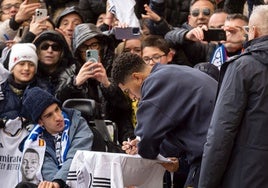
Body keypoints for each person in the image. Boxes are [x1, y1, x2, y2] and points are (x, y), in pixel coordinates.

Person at [112, 52, 217, 187]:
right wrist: (140, 145)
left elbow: (148, 140)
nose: (132, 97)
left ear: (137, 78)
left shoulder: (154, 83)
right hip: (219, 149)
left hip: (212, 155)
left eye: (127, 91)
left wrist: (142, 145)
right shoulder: (172, 72)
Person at [198, 5, 268, 188]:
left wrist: (206, 183)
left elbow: (221, 132)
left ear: (253, 31)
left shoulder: (243, 67)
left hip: (247, 175)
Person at [16, 86, 94, 188]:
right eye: (49, 115)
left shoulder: (78, 124)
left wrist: (58, 182)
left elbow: (76, 159)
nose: (57, 117)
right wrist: (52, 185)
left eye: (57, 109)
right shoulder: (35, 140)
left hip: (80, 181)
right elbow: (47, 169)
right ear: (40, 122)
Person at [0, 43, 43, 188]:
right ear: (12, 66)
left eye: (31, 64)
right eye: (21, 64)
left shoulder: (43, 88)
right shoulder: (1, 89)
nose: (26, 69)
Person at [33, 30, 75, 95]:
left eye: (55, 48)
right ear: (37, 52)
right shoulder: (30, 75)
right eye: (45, 47)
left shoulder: (71, 74)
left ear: (62, 53)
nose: (50, 51)